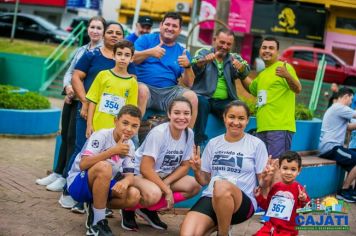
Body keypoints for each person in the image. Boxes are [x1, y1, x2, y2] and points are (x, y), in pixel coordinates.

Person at [36, 16, 105, 207]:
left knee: (75, 141)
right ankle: (57, 172)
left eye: (99, 28)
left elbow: (89, 78)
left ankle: (66, 177)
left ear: (104, 31)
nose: (95, 31)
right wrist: (68, 87)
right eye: (92, 27)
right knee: (65, 136)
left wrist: (78, 92)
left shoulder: (102, 53)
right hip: (71, 98)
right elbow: (70, 72)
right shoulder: (81, 49)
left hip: (84, 102)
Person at [61, 21, 125, 213]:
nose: (114, 35)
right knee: (82, 149)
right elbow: (76, 77)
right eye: (110, 32)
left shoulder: (123, 59)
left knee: (109, 157)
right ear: (104, 35)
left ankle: (93, 198)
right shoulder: (91, 55)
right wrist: (85, 102)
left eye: (118, 33)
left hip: (111, 119)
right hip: (87, 111)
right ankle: (69, 191)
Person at [180, 100, 270, 236]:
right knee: (187, 233)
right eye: (232, 117)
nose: (236, 122)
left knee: (222, 186)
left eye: (241, 118)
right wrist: (197, 170)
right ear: (224, 118)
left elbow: (262, 184)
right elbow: (204, 181)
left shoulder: (256, 145)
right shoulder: (213, 143)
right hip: (212, 197)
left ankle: (223, 233)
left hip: (242, 203)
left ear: (247, 121)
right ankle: (216, 224)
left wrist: (266, 178)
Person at [121, 97, 201, 231]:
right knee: (154, 193)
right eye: (177, 113)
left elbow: (185, 166)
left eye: (186, 113)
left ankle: (147, 210)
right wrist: (166, 189)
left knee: (194, 185)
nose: (182, 117)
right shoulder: (159, 133)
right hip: (139, 174)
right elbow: (145, 168)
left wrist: (167, 183)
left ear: (191, 115)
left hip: (162, 176)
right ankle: (128, 208)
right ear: (169, 114)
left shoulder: (189, 133)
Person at [67, 105, 141, 236]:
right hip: (78, 183)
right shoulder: (101, 135)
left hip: (102, 185)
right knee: (104, 166)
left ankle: (95, 208)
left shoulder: (130, 145)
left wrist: (125, 182)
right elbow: (83, 164)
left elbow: (130, 175)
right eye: (125, 123)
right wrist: (113, 151)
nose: (129, 129)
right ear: (115, 121)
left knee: (133, 195)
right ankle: (97, 223)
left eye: (134, 126)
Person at [133, 12, 198, 128]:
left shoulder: (182, 51)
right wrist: (150, 52)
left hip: (169, 93)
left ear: (179, 30)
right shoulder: (146, 39)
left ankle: (187, 140)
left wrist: (188, 67)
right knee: (141, 89)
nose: (170, 28)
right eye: (167, 24)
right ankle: (133, 138)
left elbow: (190, 83)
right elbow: (132, 58)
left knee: (192, 97)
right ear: (161, 26)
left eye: (174, 26)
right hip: (145, 88)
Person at [242, 37, 302, 159]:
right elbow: (252, 88)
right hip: (262, 128)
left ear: (277, 52)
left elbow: (298, 88)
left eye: (271, 48)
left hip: (279, 128)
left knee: (275, 166)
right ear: (260, 50)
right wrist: (240, 73)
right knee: (264, 168)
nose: (267, 50)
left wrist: (287, 76)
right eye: (264, 47)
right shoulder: (263, 73)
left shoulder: (284, 67)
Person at [191, 28, 250, 146]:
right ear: (214, 40)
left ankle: (234, 143)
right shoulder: (203, 52)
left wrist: (241, 68)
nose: (225, 46)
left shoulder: (234, 57)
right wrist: (204, 61)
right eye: (222, 42)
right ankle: (197, 142)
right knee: (201, 102)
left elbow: (246, 70)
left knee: (236, 110)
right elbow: (194, 64)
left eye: (228, 44)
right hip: (204, 97)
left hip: (224, 101)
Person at [86, 40, 138, 138]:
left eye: (127, 55)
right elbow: (93, 101)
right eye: (119, 54)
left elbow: (130, 110)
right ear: (113, 56)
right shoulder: (102, 75)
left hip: (117, 132)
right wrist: (89, 125)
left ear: (132, 58)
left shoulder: (133, 83)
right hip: (97, 127)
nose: (122, 58)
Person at [254, 151, 309, 236]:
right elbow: (268, 207)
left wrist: (304, 199)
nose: (288, 172)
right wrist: (259, 197)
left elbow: (307, 208)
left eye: (293, 169)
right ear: (279, 168)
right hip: (270, 226)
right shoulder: (275, 187)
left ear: (299, 170)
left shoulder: (299, 189)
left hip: (288, 230)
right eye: (285, 168)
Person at [319, 87, 356, 203]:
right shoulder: (340, 108)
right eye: (351, 99)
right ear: (346, 97)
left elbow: (349, 127)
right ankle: (344, 191)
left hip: (332, 147)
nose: (351, 102)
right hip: (331, 147)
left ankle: (351, 190)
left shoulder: (336, 109)